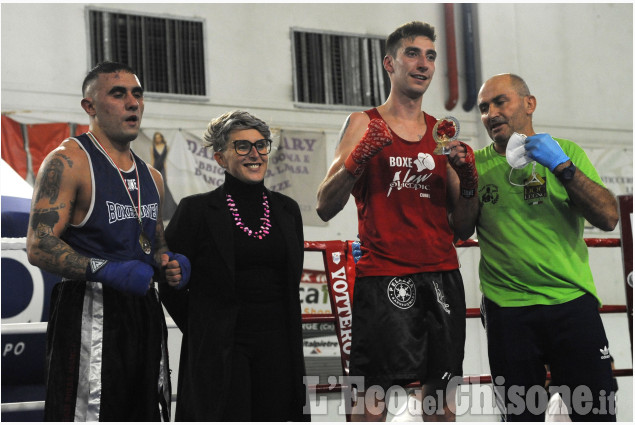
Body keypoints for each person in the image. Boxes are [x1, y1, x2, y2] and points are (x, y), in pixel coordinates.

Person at [316, 21, 479, 421]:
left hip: (442, 277)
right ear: (389, 63)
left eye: (430, 55)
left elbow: (464, 227)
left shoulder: (443, 133)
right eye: (412, 53)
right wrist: (359, 158)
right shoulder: (363, 122)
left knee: (441, 404)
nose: (423, 64)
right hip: (385, 276)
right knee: (369, 405)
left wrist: (470, 182)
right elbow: (324, 204)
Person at [25, 61, 191, 421]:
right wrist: (106, 270)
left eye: (137, 94)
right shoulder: (68, 162)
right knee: (90, 413)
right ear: (90, 106)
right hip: (89, 308)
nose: (133, 103)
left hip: (144, 310)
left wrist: (169, 265)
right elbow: (39, 244)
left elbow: (154, 243)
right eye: (118, 94)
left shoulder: (152, 177)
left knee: (147, 409)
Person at [473, 73, 619, 421]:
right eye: (483, 107)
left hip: (571, 304)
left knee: (597, 413)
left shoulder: (567, 152)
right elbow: (457, 228)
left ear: (529, 103)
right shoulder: (475, 166)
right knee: (521, 416)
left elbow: (609, 217)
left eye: (500, 101)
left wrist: (562, 167)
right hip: (508, 310)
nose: (491, 113)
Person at [160, 110, 310, 421]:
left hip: (279, 345)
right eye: (242, 146)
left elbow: (290, 278)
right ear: (219, 158)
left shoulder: (287, 210)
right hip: (221, 349)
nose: (255, 154)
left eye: (261, 145)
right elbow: (168, 282)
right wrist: (205, 328)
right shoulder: (196, 210)